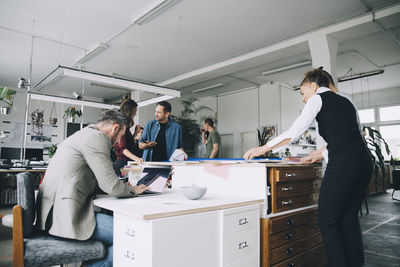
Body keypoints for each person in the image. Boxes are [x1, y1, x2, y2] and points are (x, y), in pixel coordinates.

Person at [244, 68, 371, 267]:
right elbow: (349, 137)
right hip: (363, 162)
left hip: (344, 164)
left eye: (303, 93)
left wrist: (263, 148)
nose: (303, 99)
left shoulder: (317, 98)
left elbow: (294, 132)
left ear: (313, 85)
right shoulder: (347, 101)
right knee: (348, 219)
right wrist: (319, 153)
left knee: (327, 220)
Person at [36, 109, 149, 267]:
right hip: (66, 213)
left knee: (127, 238)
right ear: (115, 128)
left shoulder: (82, 135)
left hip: (51, 211)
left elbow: (97, 179)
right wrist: (132, 190)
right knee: (135, 239)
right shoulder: (97, 138)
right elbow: (110, 185)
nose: (118, 142)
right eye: (121, 136)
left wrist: (121, 186)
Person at [301, 67, 361, 166]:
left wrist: (320, 154)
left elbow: (346, 139)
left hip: (347, 160)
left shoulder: (341, 99)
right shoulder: (329, 101)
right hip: (339, 157)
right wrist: (319, 152)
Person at [113, 97, 143, 176]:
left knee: (135, 178)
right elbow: (123, 149)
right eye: (135, 111)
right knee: (132, 179)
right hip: (122, 164)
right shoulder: (121, 126)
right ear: (130, 111)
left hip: (126, 163)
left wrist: (135, 134)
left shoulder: (125, 126)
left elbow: (127, 144)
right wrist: (136, 158)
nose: (135, 114)